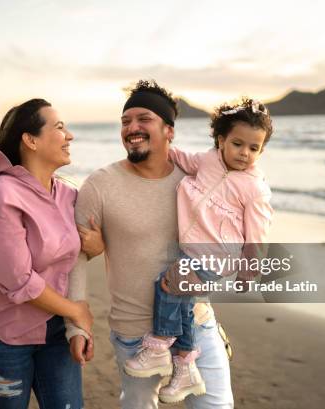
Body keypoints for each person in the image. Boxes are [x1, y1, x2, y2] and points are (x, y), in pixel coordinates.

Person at [65, 80, 234, 409]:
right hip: (136, 335)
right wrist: (76, 326)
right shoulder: (100, 185)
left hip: (195, 325)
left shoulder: (194, 180)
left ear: (169, 130)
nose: (132, 128)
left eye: (144, 119)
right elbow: (76, 259)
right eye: (126, 121)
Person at [124, 97, 274, 403]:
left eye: (253, 148)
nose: (244, 153)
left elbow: (257, 234)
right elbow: (181, 158)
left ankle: (160, 345)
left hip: (219, 257)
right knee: (182, 303)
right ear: (221, 140)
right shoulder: (207, 161)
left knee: (170, 284)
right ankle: (185, 368)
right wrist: (160, 143)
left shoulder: (254, 188)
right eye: (237, 144)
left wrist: (249, 270)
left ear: (261, 150)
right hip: (192, 251)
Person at [0, 98, 95, 409]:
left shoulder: (68, 194)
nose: (69, 136)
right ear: (30, 140)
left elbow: (74, 254)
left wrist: (96, 246)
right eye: (59, 128)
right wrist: (77, 312)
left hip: (54, 326)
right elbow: (18, 281)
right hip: (2, 330)